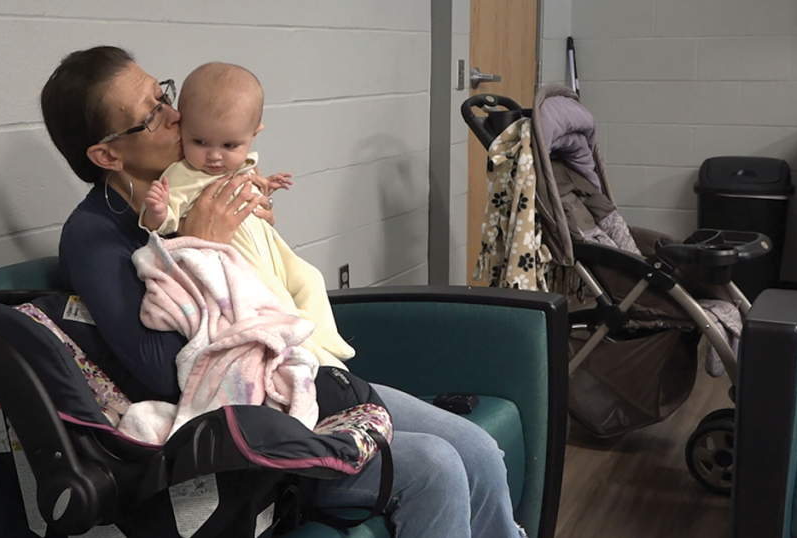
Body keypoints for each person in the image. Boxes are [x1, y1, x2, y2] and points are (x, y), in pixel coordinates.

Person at [41, 45, 525, 538]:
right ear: (106, 154)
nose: (175, 114)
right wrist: (203, 246)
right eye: (152, 115)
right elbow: (164, 371)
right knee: (436, 466)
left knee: (478, 448)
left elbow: (257, 285)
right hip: (243, 427)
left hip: (307, 376)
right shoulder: (94, 235)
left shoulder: (202, 180)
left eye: (162, 95)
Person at [139, 61, 355, 372]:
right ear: (184, 128)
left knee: (311, 278)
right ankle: (316, 360)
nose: (214, 156)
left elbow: (249, 180)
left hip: (265, 239)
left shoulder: (241, 161)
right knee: (277, 298)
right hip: (236, 251)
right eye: (200, 142)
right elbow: (163, 222)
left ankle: (326, 339)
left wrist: (265, 186)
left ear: (254, 135)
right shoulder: (183, 173)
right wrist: (157, 211)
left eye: (229, 145)